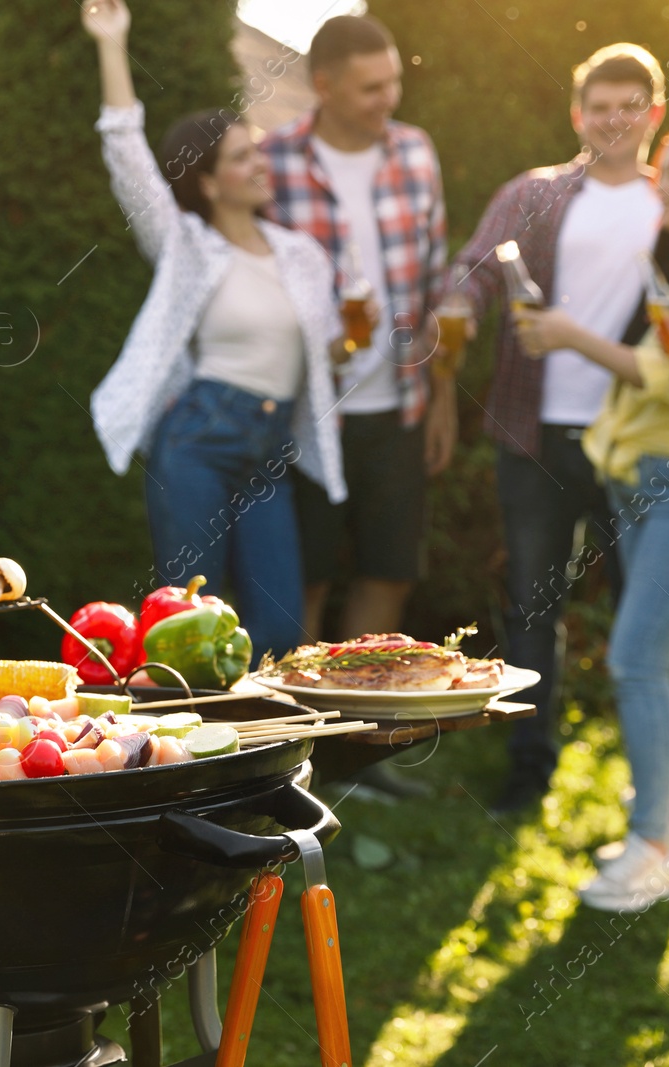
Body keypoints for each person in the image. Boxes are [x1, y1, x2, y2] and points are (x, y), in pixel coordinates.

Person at [514, 129, 669, 910]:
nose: (664, 183)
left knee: (635, 659)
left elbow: (662, 376)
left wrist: (565, 334)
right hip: (664, 482)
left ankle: (650, 847)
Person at [82, 0, 348, 658]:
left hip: (268, 449)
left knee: (280, 630)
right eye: (241, 157)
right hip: (198, 441)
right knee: (188, 624)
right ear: (206, 182)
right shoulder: (188, 248)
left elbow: (329, 354)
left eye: (257, 150)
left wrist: (361, 340)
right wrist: (113, 42)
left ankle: (260, 752)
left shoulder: (302, 257)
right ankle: (190, 753)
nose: (261, 163)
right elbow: (126, 154)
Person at [440, 44, 665, 813]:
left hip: (633, 439)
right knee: (534, 608)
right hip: (533, 436)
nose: (613, 117)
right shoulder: (535, 193)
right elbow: (470, 269)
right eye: (599, 105)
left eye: (628, 104)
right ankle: (528, 771)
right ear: (577, 114)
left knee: (645, 611)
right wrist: (455, 314)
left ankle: (652, 788)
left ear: (654, 114)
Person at [259, 14, 454, 645]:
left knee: (388, 573)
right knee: (304, 581)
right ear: (324, 85)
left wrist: (443, 397)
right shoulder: (273, 161)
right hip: (307, 413)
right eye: (372, 88)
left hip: (398, 408)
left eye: (393, 82)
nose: (389, 99)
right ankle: (303, 732)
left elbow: (439, 279)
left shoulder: (417, 151)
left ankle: (362, 720)